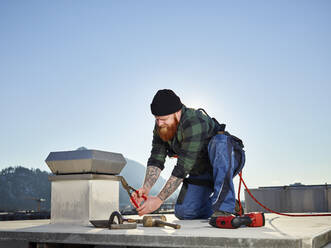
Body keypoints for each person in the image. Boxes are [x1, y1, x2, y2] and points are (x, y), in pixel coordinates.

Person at [132, 89, 245, 219]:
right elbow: (156, 159)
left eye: (163, 119)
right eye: (156, 119)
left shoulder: (194, 120)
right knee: (184, 212)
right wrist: (145, 189)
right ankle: (230, 206)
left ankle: (224, 207)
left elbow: (183, 167)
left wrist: (158, 200)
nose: (159, 123)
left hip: (227, 157)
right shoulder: (161, 127)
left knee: (219, 142)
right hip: (201, 169)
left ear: (177, 112)